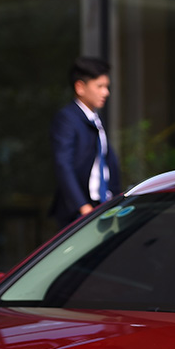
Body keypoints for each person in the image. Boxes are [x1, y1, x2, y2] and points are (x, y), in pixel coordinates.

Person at [50, 56, 121, 228]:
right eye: (100, 86)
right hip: (82, 211)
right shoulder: (68, 119)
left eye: (107, 86)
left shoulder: (95, 118)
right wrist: (83, 207)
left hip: (102, 205)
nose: (105, 92)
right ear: (80, 87)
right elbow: (63, 165)